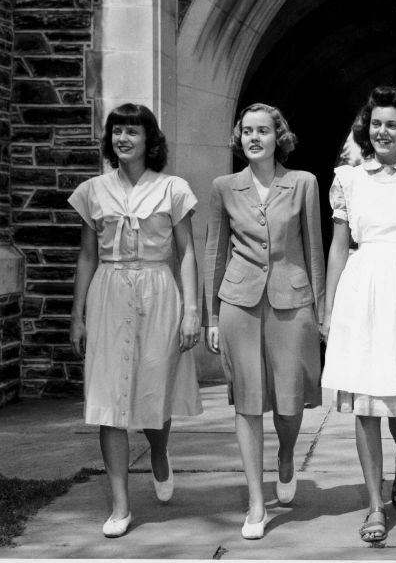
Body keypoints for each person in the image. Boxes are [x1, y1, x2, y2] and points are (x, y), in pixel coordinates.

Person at [69, 103, 202, 538]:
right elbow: (88, 255)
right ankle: (121, 504)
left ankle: (159, 452)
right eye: (117, 132)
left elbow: (186, 254)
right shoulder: (93, 190)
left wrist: (192, 311)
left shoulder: (173, 189)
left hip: (158, 289)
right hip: (108, 290)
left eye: (132, 131)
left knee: (153, 388)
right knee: (108, 398)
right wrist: (78, 316)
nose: (124, 139)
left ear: (150, 140)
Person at [321, 86, 396, 544]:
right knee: (364, 402)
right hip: (362, 285)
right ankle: (375, 505)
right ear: (366, 129)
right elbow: (338, 246)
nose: (383, 132)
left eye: (392, 124)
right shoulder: (348, 179)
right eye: (376, 124)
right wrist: (329, 305)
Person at [203, 103, 325, 540]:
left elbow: (314, 249)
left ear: (279, 137)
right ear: (240, 139)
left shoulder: (303, 184)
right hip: (238, 302)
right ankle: (256, 501)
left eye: (263, 131)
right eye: (247, 131)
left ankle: (287, 455)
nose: (254, 138)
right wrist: (211, 318)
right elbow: (214, 251)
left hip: (292, 302)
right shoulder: (223, 187)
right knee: (248, 401)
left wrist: (320, 311)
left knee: (291, 400)